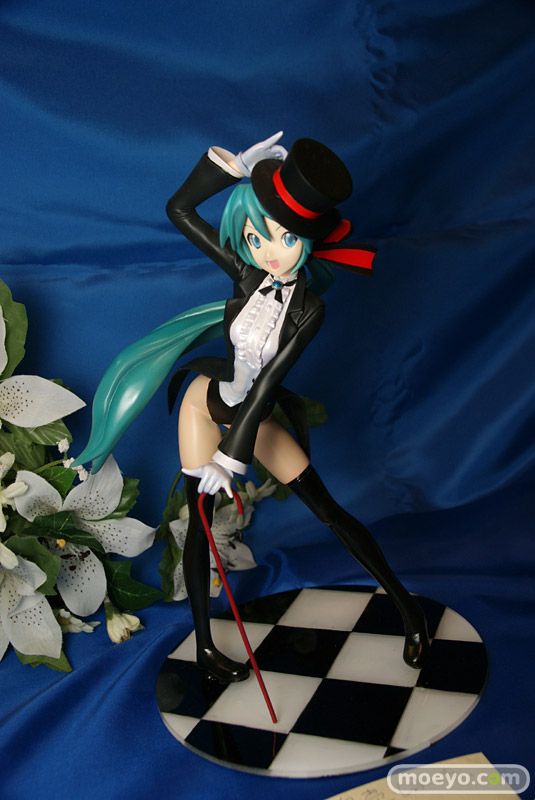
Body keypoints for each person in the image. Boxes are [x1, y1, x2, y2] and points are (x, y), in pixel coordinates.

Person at [75, 133, 429, 683]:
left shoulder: (309, 310)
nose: (268, 251)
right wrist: (231, 167)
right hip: (206, 405)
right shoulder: (246, 277)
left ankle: (409, 613)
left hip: (252, 417)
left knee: (329, 510)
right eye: (255, 236)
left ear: (307, 241)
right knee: (199, 524)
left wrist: (231, 458)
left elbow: (266, 386)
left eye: (285, 238)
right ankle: (205, 647)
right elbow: (179, 209)